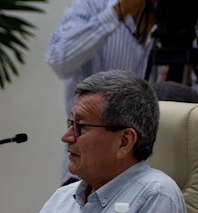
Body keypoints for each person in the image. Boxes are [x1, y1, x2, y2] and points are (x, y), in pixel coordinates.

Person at [0, 70, 188, 213]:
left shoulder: (156, 196)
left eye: (81, 126)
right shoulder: (61, 199)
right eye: (71, 123)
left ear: (124, 142)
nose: (66, 136)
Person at [45, 0, 156, 186]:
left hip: (152, 174)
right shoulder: (90, 5)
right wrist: (117, 12)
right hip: (86, 174)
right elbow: (58, 59)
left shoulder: (178, 14)